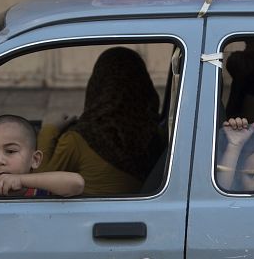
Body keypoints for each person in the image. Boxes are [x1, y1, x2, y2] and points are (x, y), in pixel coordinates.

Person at [36, 47, 164, 196]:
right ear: (144, 88)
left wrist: (49, 128)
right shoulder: (156, 137)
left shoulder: (78, 140)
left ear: (96, 86)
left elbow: (41, 183)